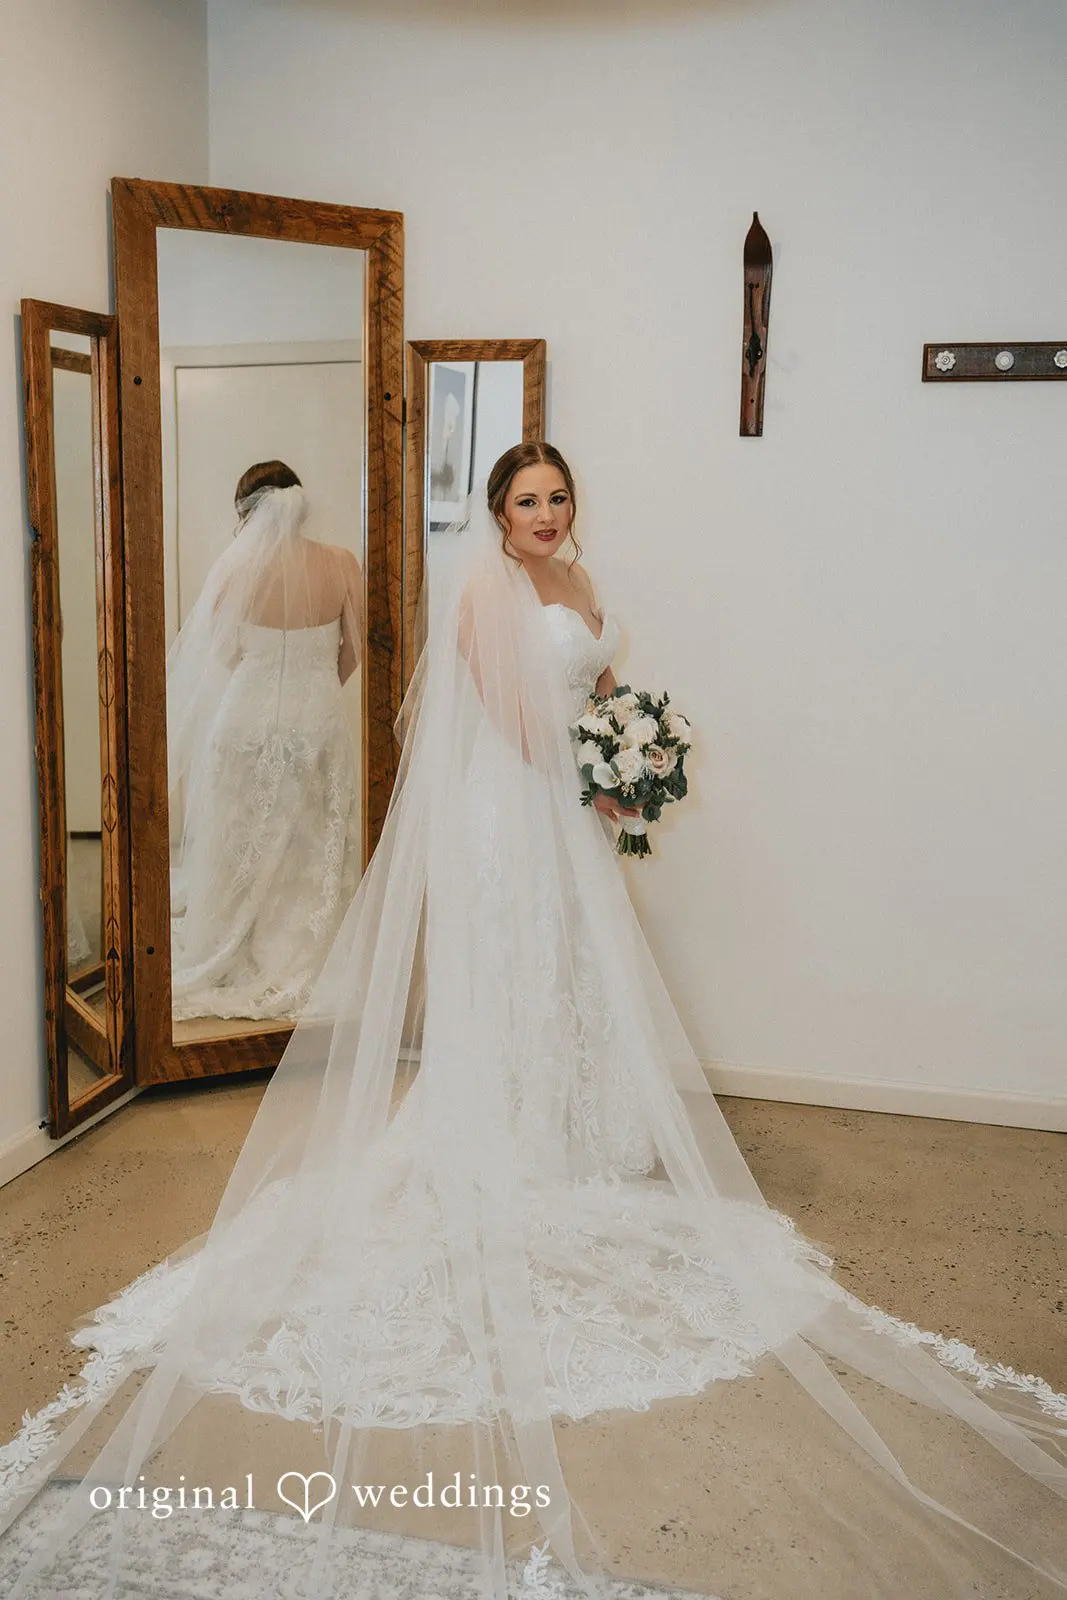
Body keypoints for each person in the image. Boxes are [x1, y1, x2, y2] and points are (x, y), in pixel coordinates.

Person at [0, 443, 1065, 1600]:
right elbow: (513, 723)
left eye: (557, 498)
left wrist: (630, 740)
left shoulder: (581, 579)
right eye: (526, 501)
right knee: (512, 964)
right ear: (498, 514)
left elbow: (594, 690)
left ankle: (569, 1127)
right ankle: (499, 1128)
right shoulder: (479, 590)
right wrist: (594, 776)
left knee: (572, 970)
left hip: (568, 808)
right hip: (510, 813)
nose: (546, 516)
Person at [167, 461, 364, 1022]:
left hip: (244, 723)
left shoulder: (235, 572)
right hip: (317, 723)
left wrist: (263, 682)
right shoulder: (343, 564)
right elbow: (351, 652)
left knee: (238, 839)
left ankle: (233, 944)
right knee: (310, 842)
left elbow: (222, 653)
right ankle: (302, 950)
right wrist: (315, 691)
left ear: (247, 514)